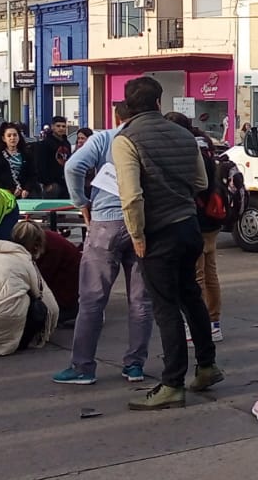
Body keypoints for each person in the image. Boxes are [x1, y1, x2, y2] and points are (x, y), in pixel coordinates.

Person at [114, 76, 222, 411]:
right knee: (191, 295)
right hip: (188, 226)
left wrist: (137, 235)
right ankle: (206, 366)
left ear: (128, 105)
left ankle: (172, 383)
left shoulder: (125, 139)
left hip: (157, 232)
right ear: (159, 102)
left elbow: (131, 196)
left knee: (165, 308)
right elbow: (201, 181)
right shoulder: (183, 133)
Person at [54, 101, 154, 385]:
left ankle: (83, 366)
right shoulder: (150, 139)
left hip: (105, 222)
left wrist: (81, 202)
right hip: (142, 223)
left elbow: (73, 166)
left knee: (92, 299)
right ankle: (134, 365)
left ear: (116, 116)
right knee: (140, 300)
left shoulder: (104, 138)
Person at [166, 111, 226, 345]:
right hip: (213, 215)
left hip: (197, 216)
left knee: (196, 275)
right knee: (210, 273)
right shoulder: (206, 144)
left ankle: (197, 325)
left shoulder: (190, 149)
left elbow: (198, 184)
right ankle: (214, 323)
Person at [10, 221, 81, 327]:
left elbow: (40, 282)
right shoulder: (46, 240)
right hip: (69, 284)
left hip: (68, 290)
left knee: (36, 316)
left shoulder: (52, 249)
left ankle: (76, 311)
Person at [0, 122, 41, 199]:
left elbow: (33, 174)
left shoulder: (27, 154)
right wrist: (8, 190)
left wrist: (27, 189)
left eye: (15, 135)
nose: (12, 138)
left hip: (26, 192)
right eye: (9, 136)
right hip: (4, 193)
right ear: (4, 138)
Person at [35, 116, 73, 198]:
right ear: (52, 127)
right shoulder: (45, 143)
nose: (61, 128)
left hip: (66, 182)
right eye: (58, 126)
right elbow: (41, 164)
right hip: (52, 184)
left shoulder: (67, 143)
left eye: (63, 126)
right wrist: (46, 183)